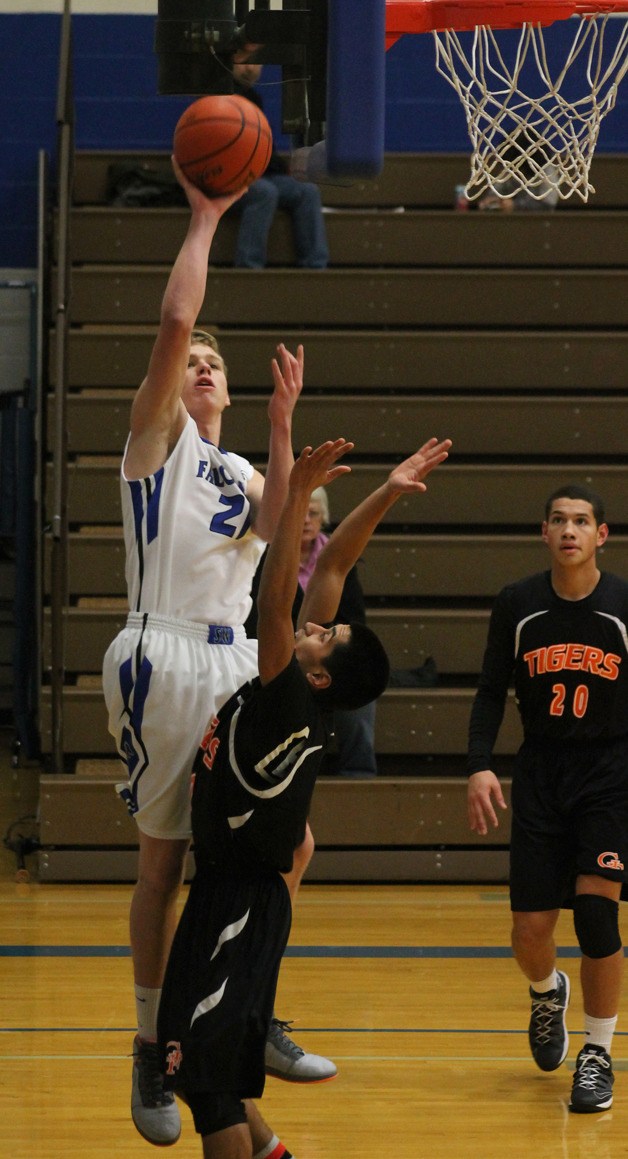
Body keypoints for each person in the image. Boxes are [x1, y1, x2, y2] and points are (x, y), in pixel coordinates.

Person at [101, 158, 333, 1148]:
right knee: (164, 863)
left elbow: (282, 533)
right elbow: (167, 327)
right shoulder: (156, 447)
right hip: (161, 661)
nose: (200, 368)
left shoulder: (241, 468)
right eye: (194, 359)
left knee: (290, 847)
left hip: (240, 667)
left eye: (214, 364)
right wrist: (202, 221)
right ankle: (153, 1043)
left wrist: (282, 428)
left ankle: (246, 1009)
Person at [157, 433, 452, 1157]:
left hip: (242, 905)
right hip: (222, 895)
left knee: (212, 1081)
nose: (316, 625)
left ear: (318, 673)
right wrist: (386, 490)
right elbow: (339, 562)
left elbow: (275, 600)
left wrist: (288, 510)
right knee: (200, 1068)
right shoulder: (305, 695)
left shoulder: (287, 698)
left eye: (326, 635)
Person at [467, 483, 628, 1114]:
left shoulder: (621, 604)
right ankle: (545, 991)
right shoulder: (519, 605)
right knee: (531, 930)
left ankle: (597, 1053)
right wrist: (479, 766)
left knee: (595, 918)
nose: (569, 530)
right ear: (543, 533)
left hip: (610, 772)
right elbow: (487, 692)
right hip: (540, 773)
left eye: (581, 521)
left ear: (600, 535)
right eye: (558, 520)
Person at [229, 54, 329, 270]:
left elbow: (260, 151)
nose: (250, 69)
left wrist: (280, 167)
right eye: (244, 62)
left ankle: (316, 268)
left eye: (256, 62)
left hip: (257, 176)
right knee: (264, 192)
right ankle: (248, 268)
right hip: (227, 178)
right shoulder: (219, 99)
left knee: (306, 191)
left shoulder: (253, 97)